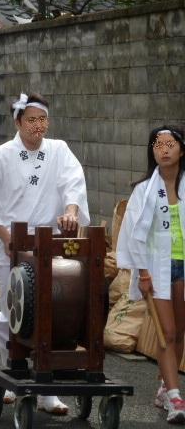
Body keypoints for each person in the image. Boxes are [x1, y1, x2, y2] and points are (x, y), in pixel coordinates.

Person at [0, 92, 89, 414]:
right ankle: (12, 372)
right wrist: (5, 236)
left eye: (43, 119)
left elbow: (73, 184)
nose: (38, 126)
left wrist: (71, 211)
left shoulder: (58, 150)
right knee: (14, 312)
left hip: (52, 245)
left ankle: (47, 390)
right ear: (18, 122)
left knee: (54, 314)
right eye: (31, 120)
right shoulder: (1, 155)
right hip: (14, 246)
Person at [117, 126, 185, 423]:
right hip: (157, 269)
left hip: (183, 267)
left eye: (170, 144)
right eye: (158, 145)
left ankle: (162, 386)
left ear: (181, 149)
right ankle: (175, 398)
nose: (164, 150)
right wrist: (142, 272)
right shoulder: (144, 191)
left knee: (180, 333)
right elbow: (134, 236)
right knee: (166, 332)